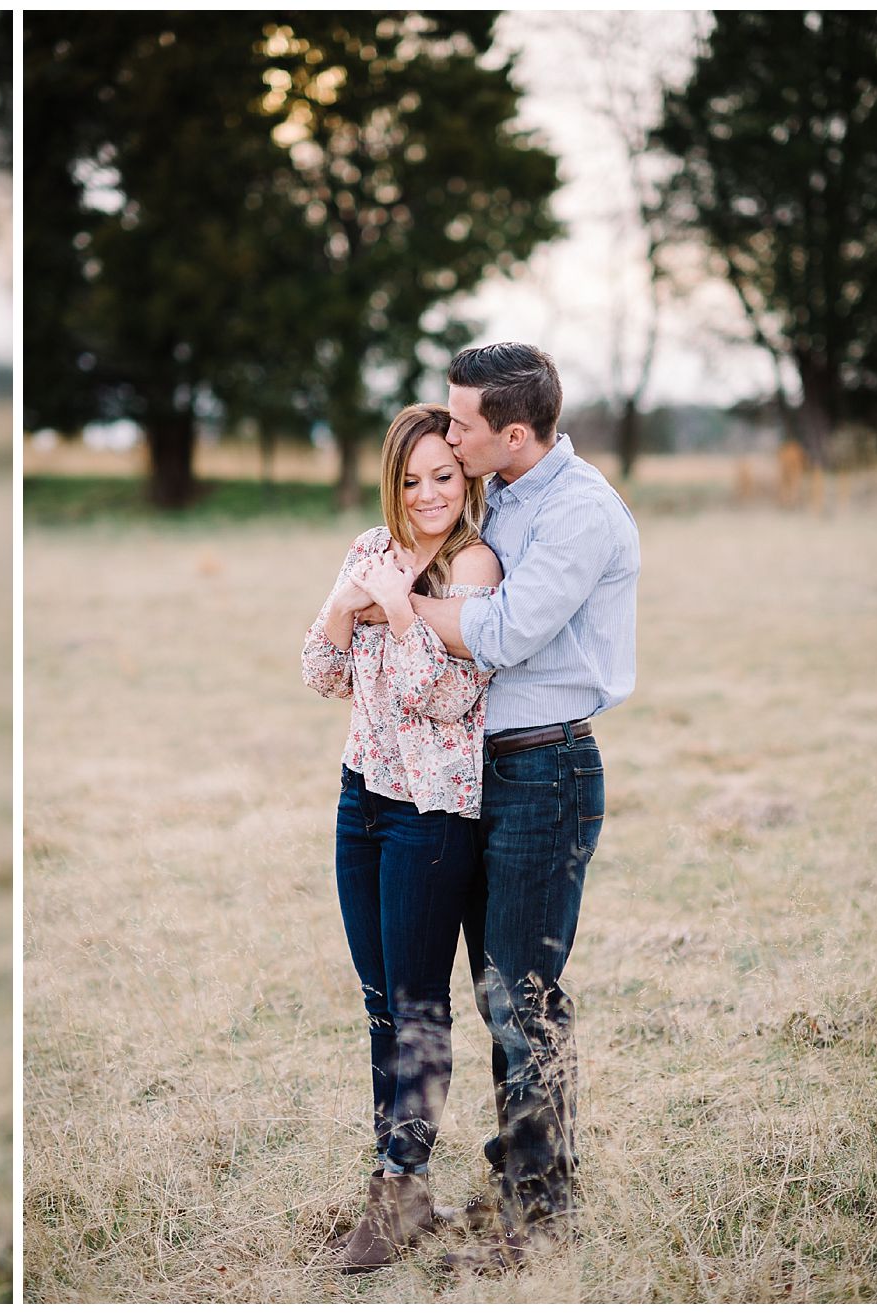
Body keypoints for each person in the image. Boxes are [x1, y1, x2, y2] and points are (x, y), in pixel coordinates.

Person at [402, 343, 640, 1272]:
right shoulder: (502, 490)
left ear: (513, 432)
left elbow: (497, 635)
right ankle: (521, 1176)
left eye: (460, 423)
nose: (447, 432)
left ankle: (539, 1222)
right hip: (480, 770)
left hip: (547, 774)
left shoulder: (579, 513)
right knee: (492, 991)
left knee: (523, 998)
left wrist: (397, 601)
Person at [301, 402, 502, 1273]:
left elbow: (453, 698)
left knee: (419, 1004)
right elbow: (320, 672)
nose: (428, 494)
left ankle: (400, 1179)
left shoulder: (476, 566)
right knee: (380, 999)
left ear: (468, 480)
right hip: (362, 802)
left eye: (444, 477)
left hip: (433, 812)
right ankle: (404, 1184)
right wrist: (352, 606)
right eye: (412, 479)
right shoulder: (368, 551)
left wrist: (403, 613)